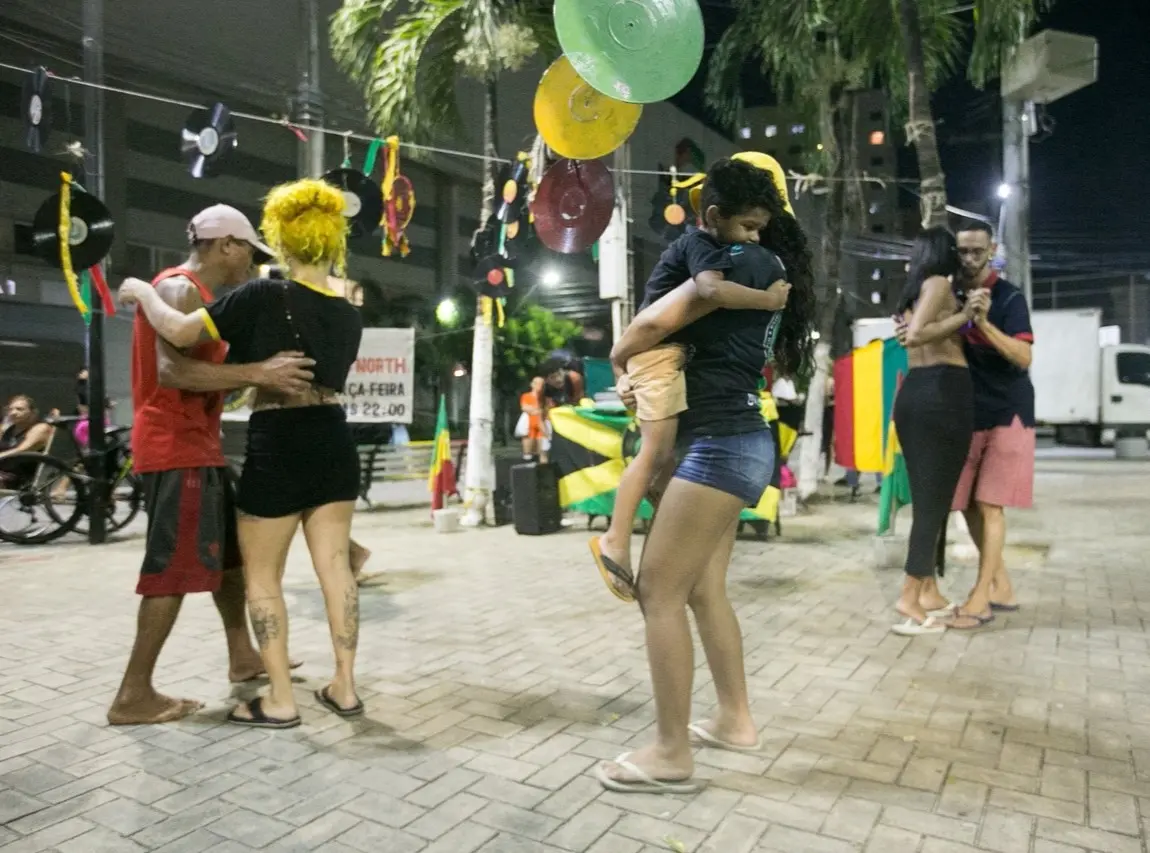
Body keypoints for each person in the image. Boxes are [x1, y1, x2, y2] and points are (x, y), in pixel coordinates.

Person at [119, 178, 365, 729]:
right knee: (336, 570)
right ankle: (345, 689)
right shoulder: (349, 310)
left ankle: (280, 700)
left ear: (282, 238)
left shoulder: (261, 295)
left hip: (277, 439)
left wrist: (142, 291)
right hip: (332, 435)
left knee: (261, 576)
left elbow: (180, 333)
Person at [596, 225, 816, 793]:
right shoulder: (768, 271)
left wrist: (619, 355)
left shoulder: (723, 266)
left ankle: (671, 752)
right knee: (704, 591)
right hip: (742, 439)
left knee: (659, 593)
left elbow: (650, 325)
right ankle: (734, 720)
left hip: (716, 447)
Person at [590, 158, 795, 601]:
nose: (754, 238)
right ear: (716, 216)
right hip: (660, 357)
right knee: (656, 451)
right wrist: (767, 300)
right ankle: (615, 540)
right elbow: (710, 291)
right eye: (748, 227)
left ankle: (651, 521)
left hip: (662, 358)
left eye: (760, 230)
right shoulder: (700, 245)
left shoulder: (707, 246)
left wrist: (623, 366)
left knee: (662, 458)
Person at [890, 228, 979, 635]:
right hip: (942, 394)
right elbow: (917, 335)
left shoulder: (914, 292)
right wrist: (965, 316)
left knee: (932, 501)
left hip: (918, 394)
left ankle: (928, 592)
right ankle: (909, 598)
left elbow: (912, 331)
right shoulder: (940, 283)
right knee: (932, 504)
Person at [950, 221, 1035, 621]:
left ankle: (981, 597)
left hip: (1008, 411)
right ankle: (1002, 586)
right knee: (966, 502)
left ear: (992, 250)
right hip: (970, 411)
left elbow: (1023, 356)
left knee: (990, 504)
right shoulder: (951, 293)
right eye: (962, 251)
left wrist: (983, 324)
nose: (969, 258)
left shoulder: (1009, 297)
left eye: (977, 251)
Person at [0, 396, 53, 487]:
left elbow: (23, 449)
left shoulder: (40, 428)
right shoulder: (8, 430)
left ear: (33, 412)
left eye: (19, 409)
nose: (13, 413)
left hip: (22, 479)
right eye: (10, 409)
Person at [518, 376, 547, 461]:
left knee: (541, 450)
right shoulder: (526, 396)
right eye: (537, 383)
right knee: (528, 450)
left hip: (542, 426)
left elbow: (546, 410)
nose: (539, 385)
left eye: (541, 384)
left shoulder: (545, 398)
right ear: (532, 384)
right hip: (529, 426)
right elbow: (524, 407)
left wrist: (535, 410)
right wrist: (538, 410)